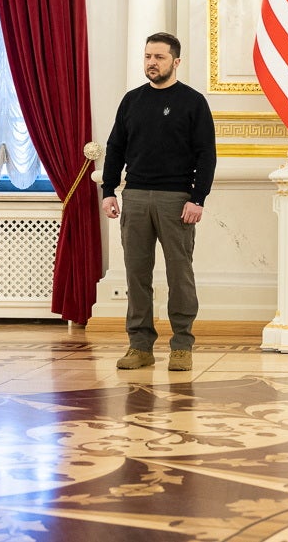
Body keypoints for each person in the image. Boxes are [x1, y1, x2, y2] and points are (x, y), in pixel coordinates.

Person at [101, 32, 216, 372]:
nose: (152, 62)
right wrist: (109, 190)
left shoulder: (193, 102)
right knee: (137, 274)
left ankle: (182, 344)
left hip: (176, 200)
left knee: (180, 273)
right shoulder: (132, 101)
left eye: (159, 57)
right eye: (148, 56)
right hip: (134, 196)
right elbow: (115, 148)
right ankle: (140, 346)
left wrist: (198, 198)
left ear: (176, 62)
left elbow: (206, 154)